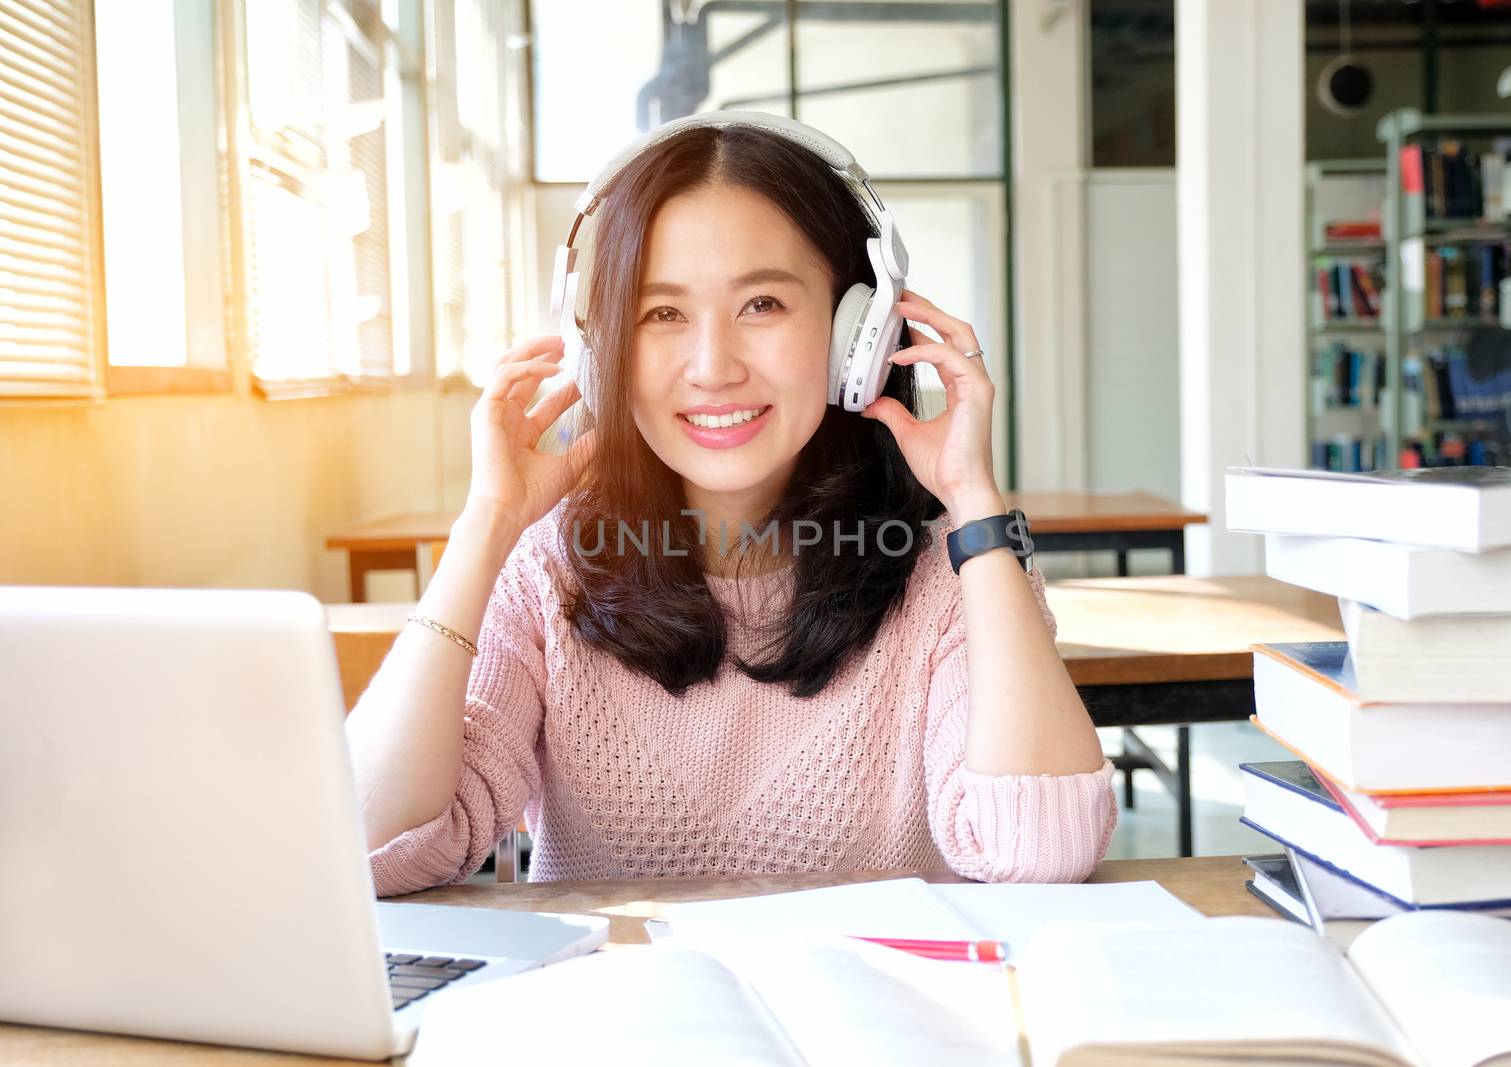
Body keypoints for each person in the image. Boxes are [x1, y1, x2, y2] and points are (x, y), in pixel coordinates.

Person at [346, 116, 1116, 895]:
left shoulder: (950, 575)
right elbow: (375, 847)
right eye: (663, 314)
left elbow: (1039, 848)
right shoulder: (548, 571)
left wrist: (975, 505)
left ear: (862, 333)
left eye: (764, 306)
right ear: (597, 346)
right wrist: (488, 526)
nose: (713, 368)